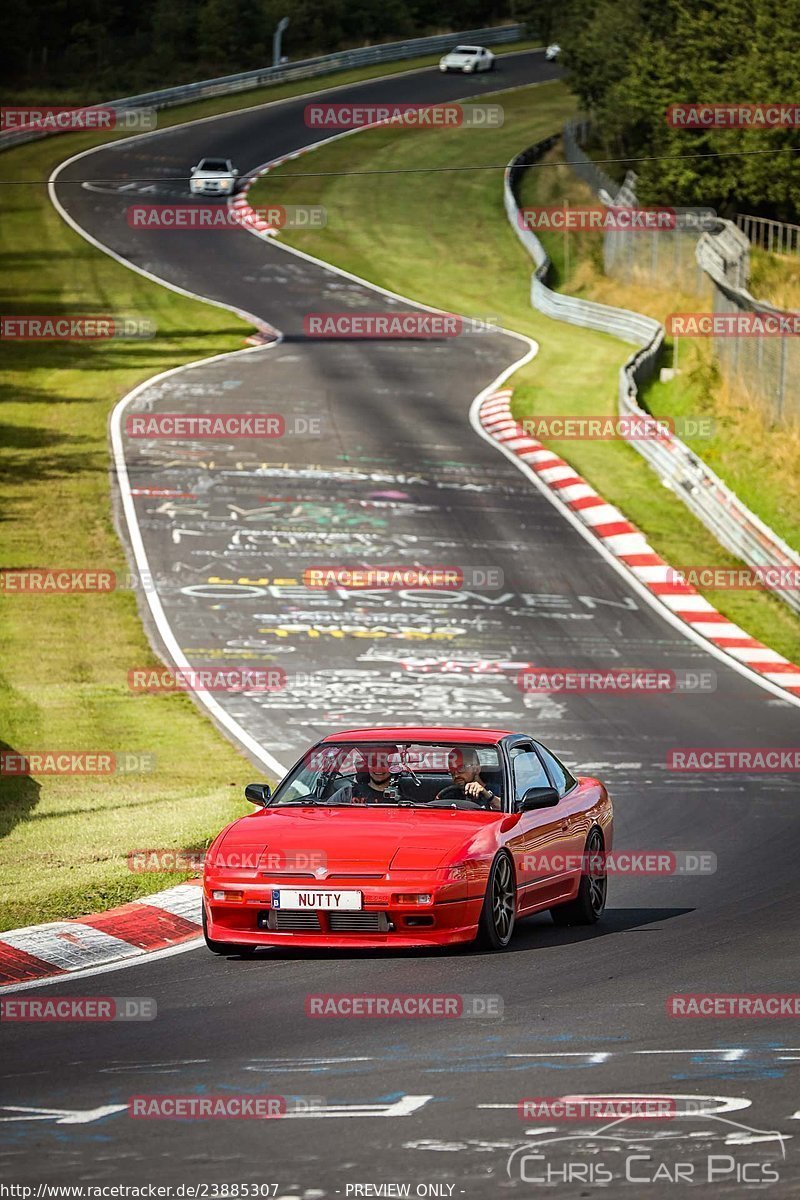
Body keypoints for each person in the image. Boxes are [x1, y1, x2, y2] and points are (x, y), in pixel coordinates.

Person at [437, 747, 501, 810]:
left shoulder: (497, 790)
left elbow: (505, 808)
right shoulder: (449, 795)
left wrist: (487, 795)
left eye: (461, 768)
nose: (456, 775)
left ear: (476, 769)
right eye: (452, 770)